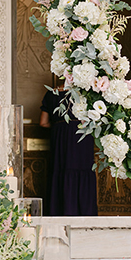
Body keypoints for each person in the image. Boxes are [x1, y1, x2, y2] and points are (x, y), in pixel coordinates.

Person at [39, 88, 98, 216]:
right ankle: (85, 212)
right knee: (83, 171)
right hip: (82, 136)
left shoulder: (51, 94)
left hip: (60, 139)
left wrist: (58, 126)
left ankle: (59, 211)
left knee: (60, 171)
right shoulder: (87, 93)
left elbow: (43, 123)